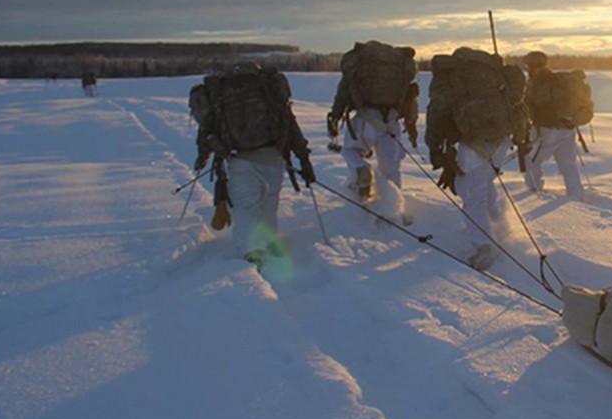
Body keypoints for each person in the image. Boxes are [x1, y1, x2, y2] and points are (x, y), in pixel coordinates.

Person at [189, 61, 315, 270]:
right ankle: (270, 241)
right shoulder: (268, 91)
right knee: (269, 202)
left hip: (240, 158)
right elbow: (290, 125)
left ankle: (251, 250)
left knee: (246, 206)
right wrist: (304, 159)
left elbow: (207, 129)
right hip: (273, 156)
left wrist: (203, 157)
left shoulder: (221, 93)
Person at [426, 47, 528, 270]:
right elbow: (515, 99)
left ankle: (484, 246)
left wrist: (433, 146)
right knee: (483, 183)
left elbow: (437, 111)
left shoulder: (449, 76)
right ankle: (498, 224)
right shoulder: (492, 71)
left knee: (471, 194)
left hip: (470, 142)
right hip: (501, 139)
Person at [326, 41, 419, 208]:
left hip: (366, 118)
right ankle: (393, 207)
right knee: (390, 167)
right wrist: (411, 123)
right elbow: (410, 97)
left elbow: (342, 94)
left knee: (350, 150)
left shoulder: (359, 67)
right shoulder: (399, 68)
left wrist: (335, 117)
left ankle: (361, 169)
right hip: (391, 120)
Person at [521, 50, 587, 201]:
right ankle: (576, 193)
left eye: (527, 66)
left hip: (546, 131)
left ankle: (534, 191)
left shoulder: (536, 82)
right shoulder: (558, 80)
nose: (527, 69)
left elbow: (528, 107)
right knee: (568, 163)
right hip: (567, 129)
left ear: (531, 65)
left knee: (531, 159)